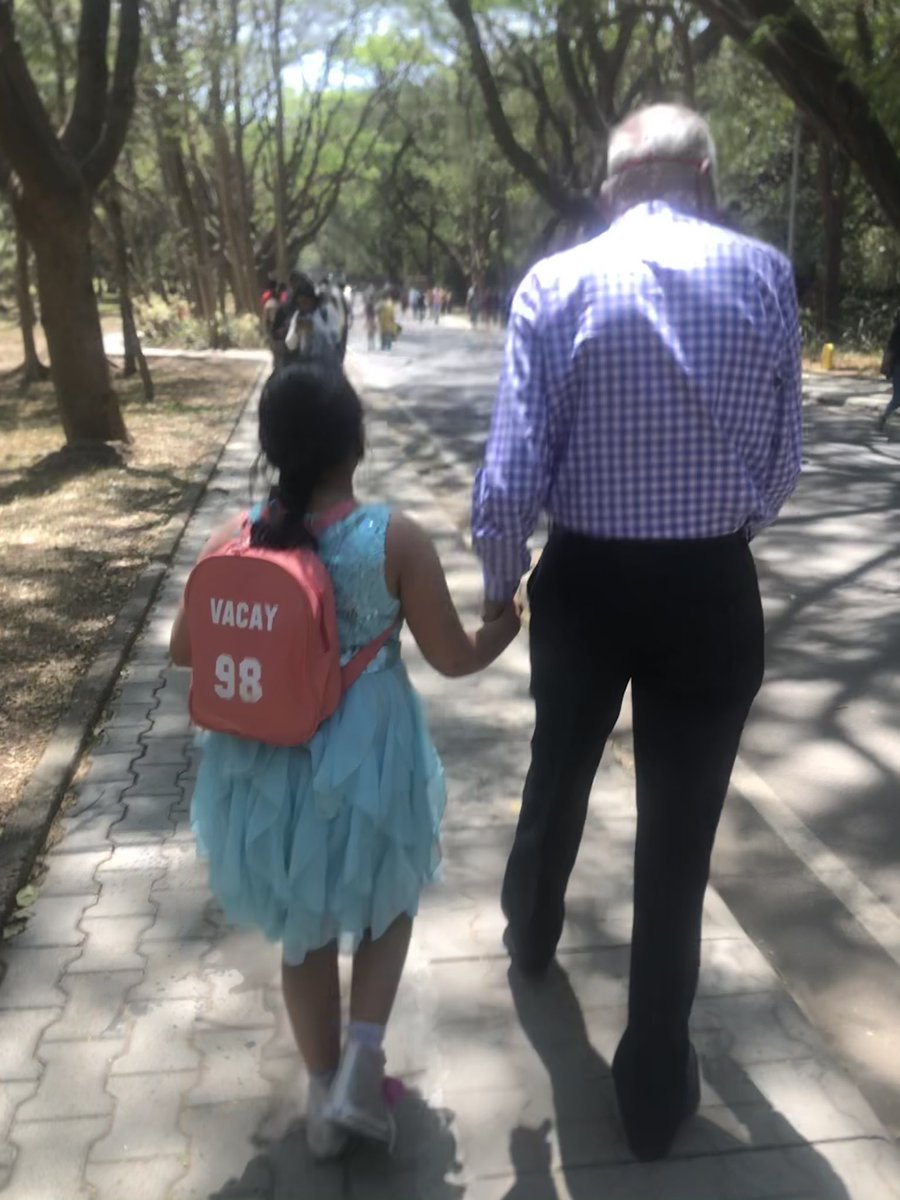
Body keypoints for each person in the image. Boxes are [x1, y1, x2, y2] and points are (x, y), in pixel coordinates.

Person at [471, 103, 803, 1162]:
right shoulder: (764, 276)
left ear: (612, 187)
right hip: (710, 588)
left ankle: (532, 928)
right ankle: (654, 1091)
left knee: (559, 768)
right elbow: (782, 462)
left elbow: (509, 479)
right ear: (703, 177)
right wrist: (717, 525)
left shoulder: (554, 285)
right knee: (677, 841)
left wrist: (501, 589)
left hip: (586, 584)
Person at [169, 362, 519, 1159]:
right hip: (368, 753)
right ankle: (363, 1061)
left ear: (270, 448)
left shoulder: (233, 537)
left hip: (266, 759)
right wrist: (510, 621)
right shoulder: (394, 539)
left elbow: (185, 649)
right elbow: (455, 657)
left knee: (305, 932)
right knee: (387, 904)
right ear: (355, 444)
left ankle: (324, 1097)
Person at [283, 274, 339, 364]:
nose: (303, 306)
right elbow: (290, 345)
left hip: (326, 363)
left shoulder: (326, 311)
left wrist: (315, 328)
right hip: (306, 363)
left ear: (312, 300)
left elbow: (335, 336)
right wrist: (296, 330)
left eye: (305, 302)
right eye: (300, 303)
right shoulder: (298, 315)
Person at [876, 311, 900, 432]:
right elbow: (890, 349)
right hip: (898, 366)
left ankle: (883, 418)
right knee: (897, 399)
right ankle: (883, 418)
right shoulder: (897, 331)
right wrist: (887, 365)